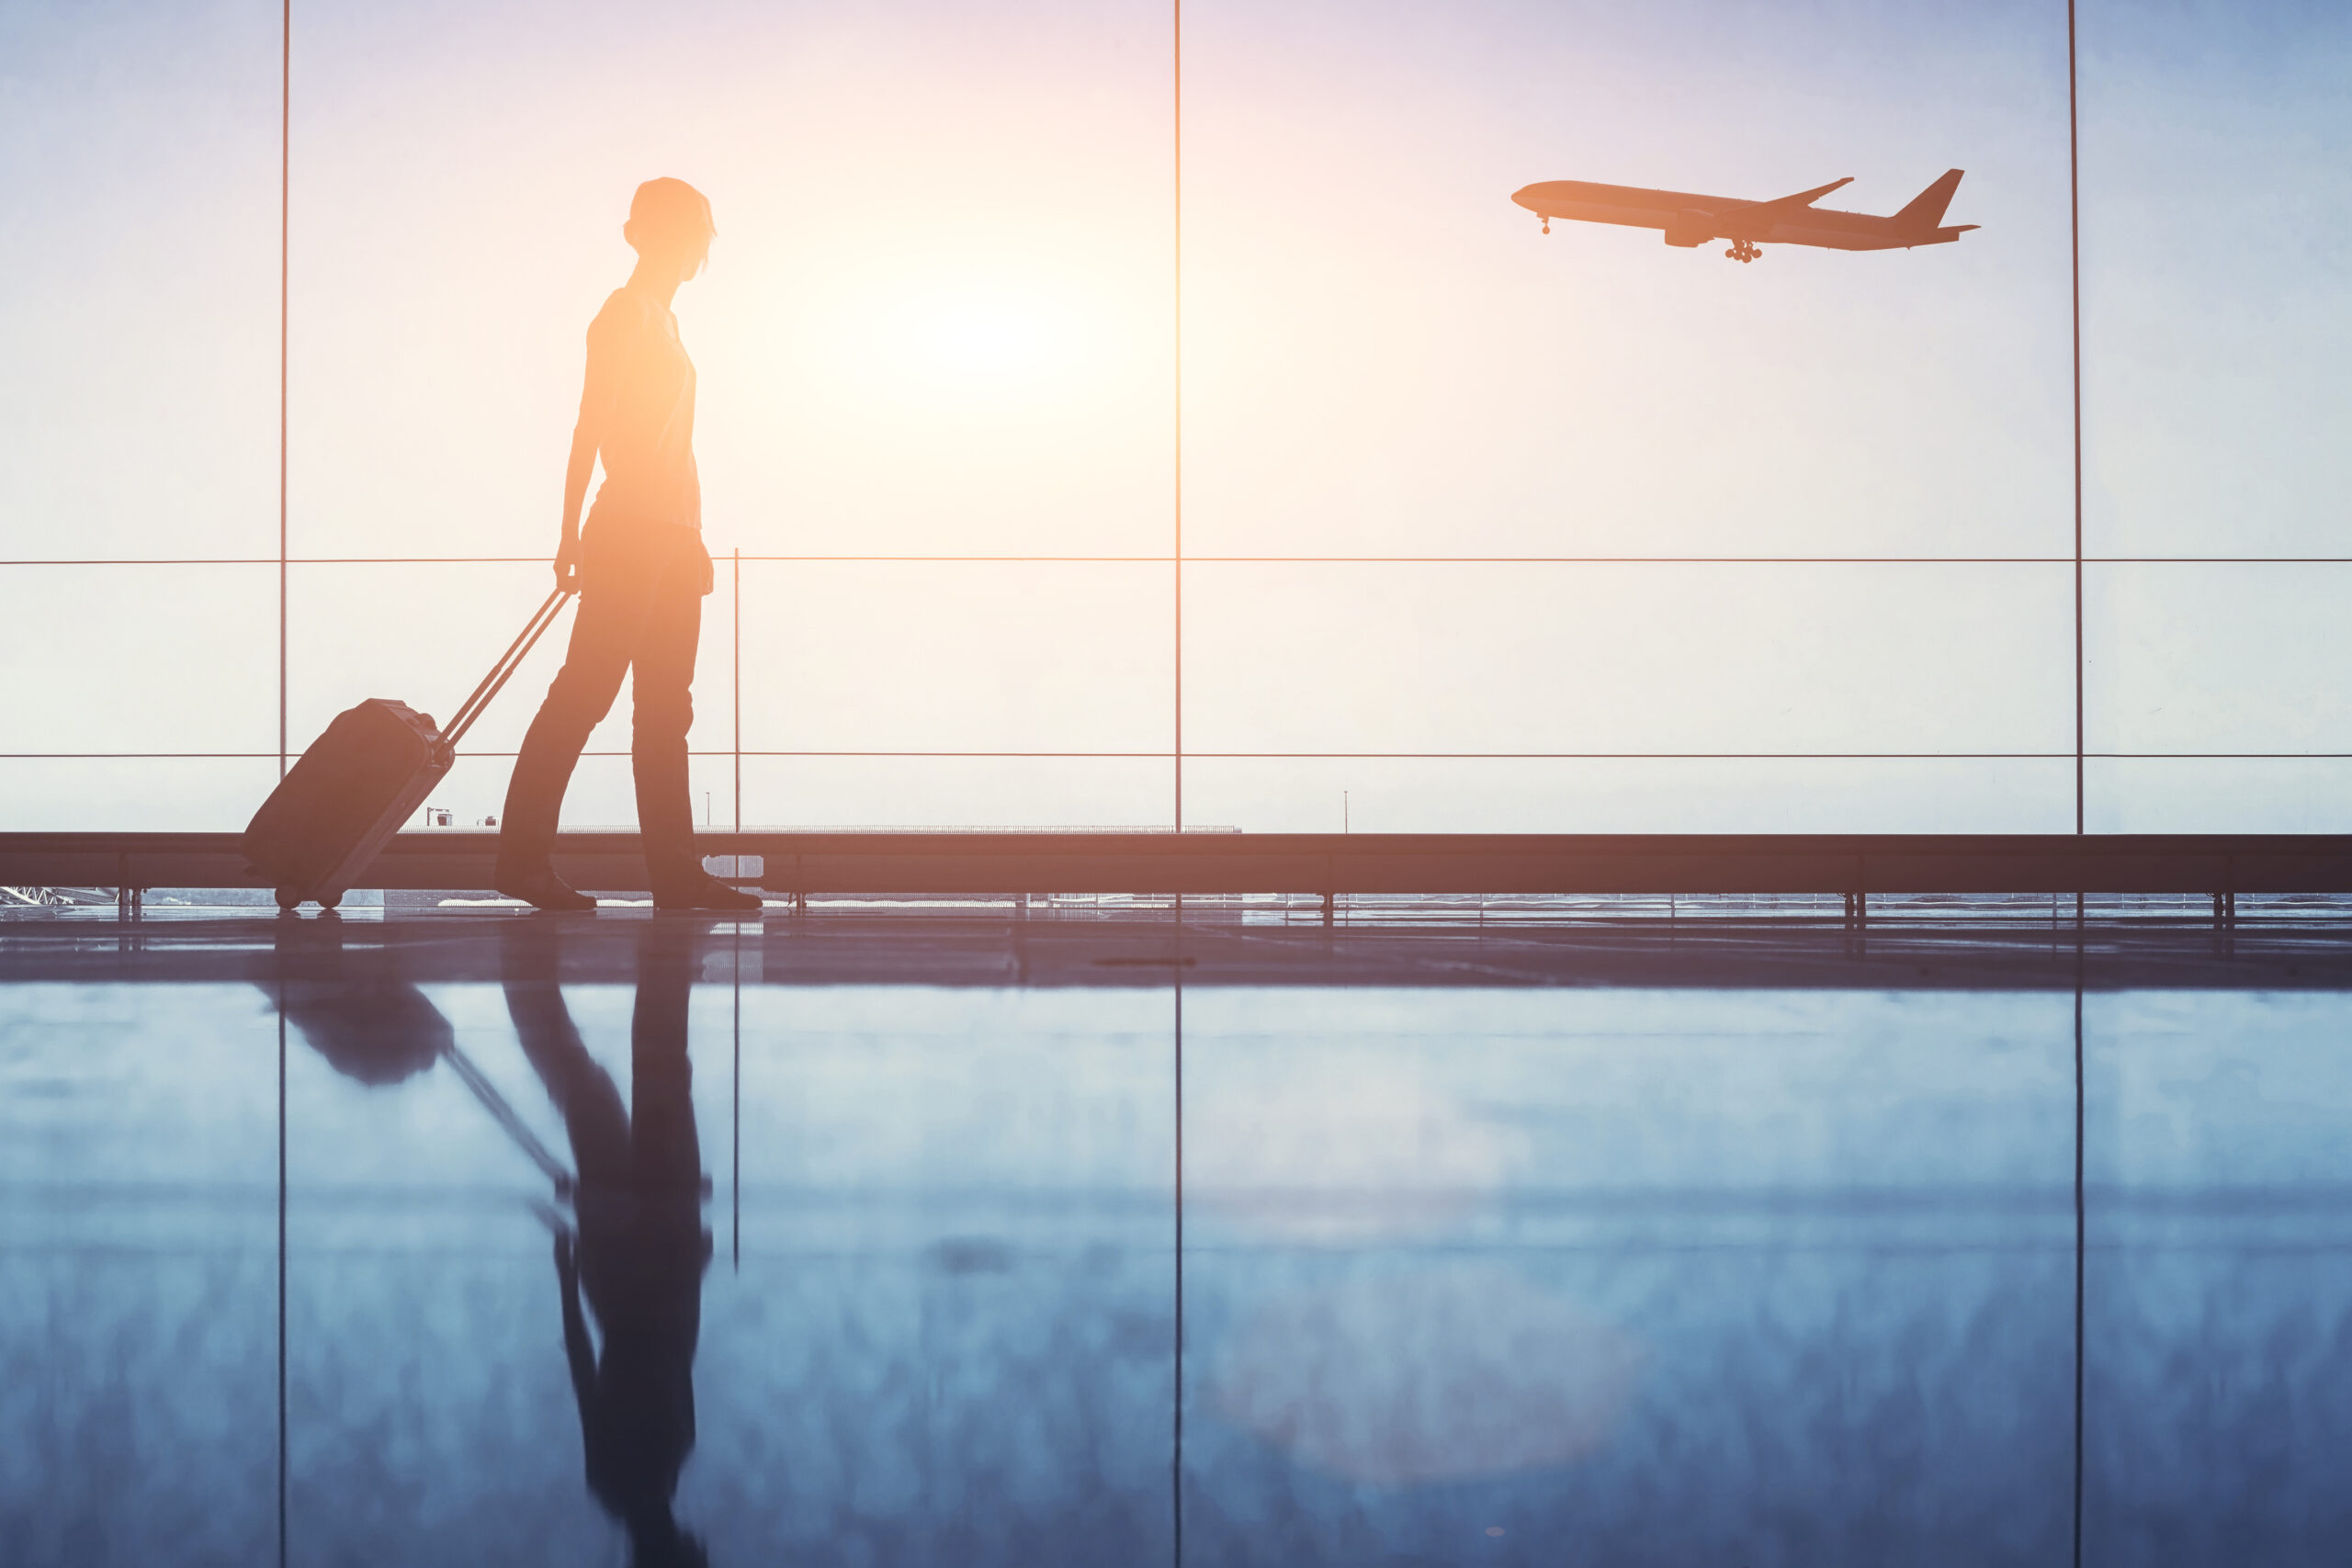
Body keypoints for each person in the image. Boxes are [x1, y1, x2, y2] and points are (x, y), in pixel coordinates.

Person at [495, 176, 759, 913]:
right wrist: (568, 530)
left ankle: (675, 873)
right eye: (690, 232)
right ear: (652, 235)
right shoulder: (625, 314)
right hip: (630, 531)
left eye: (700, 234)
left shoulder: (668, 326)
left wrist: (694, 535)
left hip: (672, 536)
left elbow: (678, 449)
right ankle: (520, 860)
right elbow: (591, 425)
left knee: (665, 710)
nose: (698, 248)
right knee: (585, 694)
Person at [506, 919, 714, 1566]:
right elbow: (585, 1362)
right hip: (619, 1266)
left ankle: (655, 970)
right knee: (591, 1092)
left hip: (661, 1251)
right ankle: (529, 990)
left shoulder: (662, 1462)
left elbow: (670, 1345)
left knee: (655, 1083)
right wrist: (569, 1271)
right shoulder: (620, 1479)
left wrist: (690, 1253)